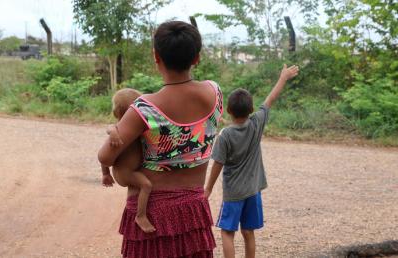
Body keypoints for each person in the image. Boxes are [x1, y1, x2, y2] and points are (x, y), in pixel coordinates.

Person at [98, 20, 223, 258]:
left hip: (152, 217)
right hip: (193, 212)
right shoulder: (215, 93)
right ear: (196, 58)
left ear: (157, 56)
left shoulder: (144, 109)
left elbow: (106, 156)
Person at [204, 64, 299, 258]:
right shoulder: (257, 123)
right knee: (248, 232)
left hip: (233, 193)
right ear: (251, 109)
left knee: (227, 232)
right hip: (253, 191)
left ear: (229, 110)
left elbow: (218, 164)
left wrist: (208, 189)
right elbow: (271, 99)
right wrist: (283, 77)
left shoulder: (225, 135)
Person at [101, 88, 156, 233]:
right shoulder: (118, 128)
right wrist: (105, 173)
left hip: (131, 170)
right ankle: (140, 215)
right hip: (125, 172)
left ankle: (137, 210)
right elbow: (104, 153)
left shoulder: (137, 127)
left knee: (141, 186)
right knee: (146, 185)